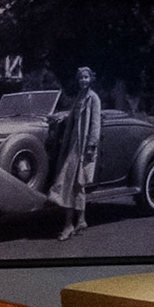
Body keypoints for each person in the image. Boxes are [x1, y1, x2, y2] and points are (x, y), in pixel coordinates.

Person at [47, 66, 102, 241]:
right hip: (73, 144)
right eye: (80, 78)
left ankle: (68, 225)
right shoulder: (79, 97)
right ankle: (81, 220)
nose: (83, 81)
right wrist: (61, 118)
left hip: (84, 147)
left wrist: (91, 147)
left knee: (68, 183)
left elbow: (95, 124)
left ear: (91, 79)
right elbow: (75, 118)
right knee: (77, 185)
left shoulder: (93, 99)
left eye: (86, 77)